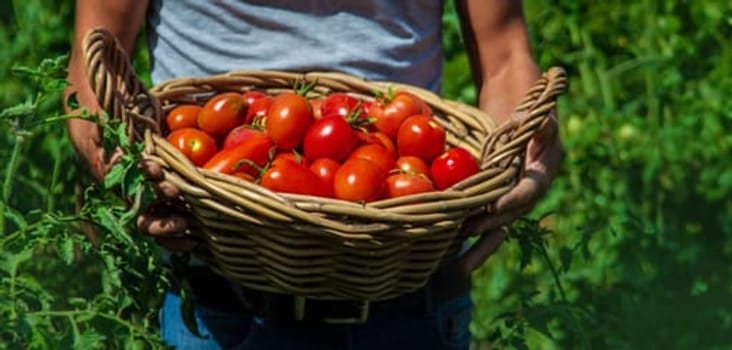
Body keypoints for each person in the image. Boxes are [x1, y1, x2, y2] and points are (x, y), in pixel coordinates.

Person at [64, 1, 562, 348]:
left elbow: (505, 60)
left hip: (410, 273)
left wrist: (527, 151)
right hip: (220, 286)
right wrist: (128, 167)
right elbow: (94, 60)